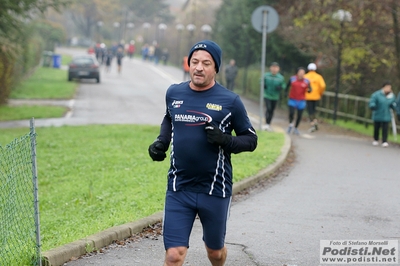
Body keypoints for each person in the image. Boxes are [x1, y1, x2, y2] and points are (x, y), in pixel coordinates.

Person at [148, 40, 257, 266]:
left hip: (214, 188)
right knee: (173, 255)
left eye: (206, 63)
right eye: (194, 62)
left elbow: (251, 140)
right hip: (180, 187)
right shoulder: (174, 93)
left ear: (215, 68)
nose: (198, 67)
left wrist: (225, 140)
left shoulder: (230, 101)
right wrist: (161, 141)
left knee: (215, 253)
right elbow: (169, 117)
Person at [368, 81, 397, 147]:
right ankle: (376, 139)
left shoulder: (391, 96)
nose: (388, 89)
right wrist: (373, 106)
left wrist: (394, 106)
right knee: (377, 127)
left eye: (389, 88)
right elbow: (372, 101)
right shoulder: (376, 94)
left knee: (385, 128)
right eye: (387, 87)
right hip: (378, 113)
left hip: (386, 114)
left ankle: (384, 141)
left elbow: (393, 103)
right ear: (383, 87)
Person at [286, 67, 311, 135]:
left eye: (303, 72)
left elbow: (310, 89)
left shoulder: (306, 81)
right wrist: (286, 93)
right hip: (292, 99)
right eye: (300, 72)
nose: (301, 74)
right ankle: (290, 125)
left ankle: (296, 128)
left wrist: (309, 90)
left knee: (299, 115)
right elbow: (287, 86)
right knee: (291, 113)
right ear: (297, 73)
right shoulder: (292, 79)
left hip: (301, 100)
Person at [262, 62, 286, 131]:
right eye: (273, 67)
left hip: (275, 96)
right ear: (270, 68)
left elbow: (284, 85)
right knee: (268, 108)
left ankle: (268, 124)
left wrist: (280, 87)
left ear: (278, 69)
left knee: (272, 110)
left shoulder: (280, 78)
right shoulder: (266, 75)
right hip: (267, 95)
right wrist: (263, 85)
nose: (274, 69)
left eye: (276, 67)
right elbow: (261, 81)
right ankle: (266, 123)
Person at [304, 63, 326, 132]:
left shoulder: (305, 76)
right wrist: (320, 92)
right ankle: (314, 121)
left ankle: (313, 123)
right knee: (314, 110)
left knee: (310, 110)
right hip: (316, 96)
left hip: (308, 96)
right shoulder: (318, 77)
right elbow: (323, 86)